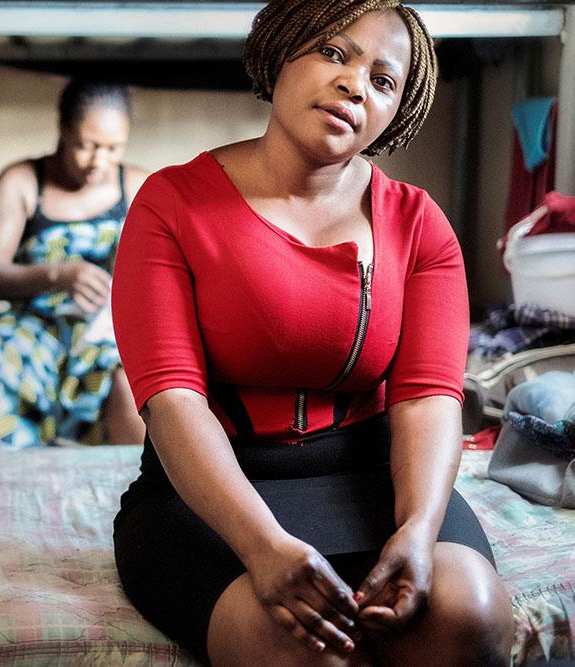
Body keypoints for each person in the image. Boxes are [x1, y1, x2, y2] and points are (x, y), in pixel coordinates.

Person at [110, 0, 513, 664]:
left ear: (395, 112)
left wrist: (416, 529)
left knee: (469, 615)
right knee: (302, 650)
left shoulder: (419, 225)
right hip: (211, 494)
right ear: (281, 50)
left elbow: (427, 397)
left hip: (372, 478)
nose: (356, 83)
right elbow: (173, 401)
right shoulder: (170, 203)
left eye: (383, 80)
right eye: (333, 53)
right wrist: (262, 545)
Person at [0, 79, 148, 448]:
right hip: (34, 321)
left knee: (129, 386)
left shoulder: (140, 186)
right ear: (63, 131)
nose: (100, 162)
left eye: (114, 148)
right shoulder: (23, 181)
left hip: (108, 328)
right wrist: (57, 274)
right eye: (87, 146)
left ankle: (141, 494)